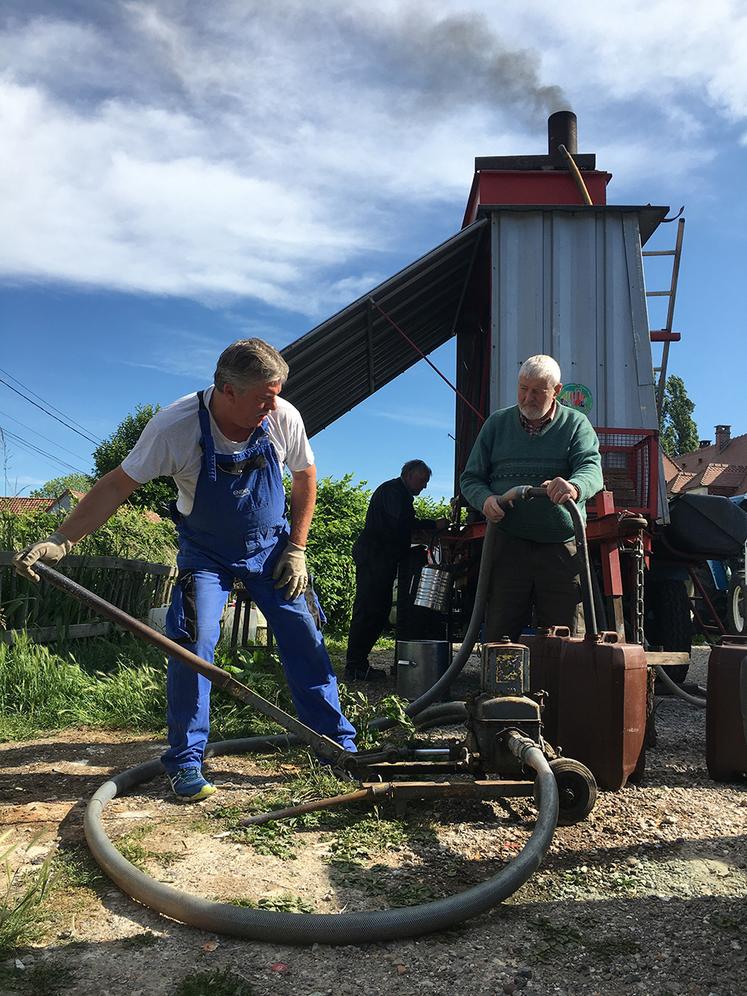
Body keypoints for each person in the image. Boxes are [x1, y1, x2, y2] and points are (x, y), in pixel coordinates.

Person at [14, 339, 356, 801]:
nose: (272, 406)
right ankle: (186, 761)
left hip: (273, 548)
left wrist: (297, 547)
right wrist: (62, 538)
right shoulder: (174, 427)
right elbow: (118, 484)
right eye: (262, 397)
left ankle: (337, 747)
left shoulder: (281, 416)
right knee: (191, 643)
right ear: (226, 389)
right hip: (206, 555)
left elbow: (305, 476)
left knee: (304, 634)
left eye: (276, 394)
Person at [460, 354, 603, 642]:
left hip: (560, 546)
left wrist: (573, 486)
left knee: (565, 633)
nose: (528, 397)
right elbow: (470, 478)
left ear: (557, 391)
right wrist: (486, 500)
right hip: (508, 543)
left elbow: (592, 469)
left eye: (538, 390)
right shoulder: (496, 424)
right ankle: (498, 688)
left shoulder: (576, 424)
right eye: (523, 388)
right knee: (500, 628)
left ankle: (560, 688)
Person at [345, 460, 447, 681]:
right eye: (422, 480)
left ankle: (357, 664)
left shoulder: (398, 494)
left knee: (377, 611)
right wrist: (432, 525)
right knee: (369, 611)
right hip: (375, 557)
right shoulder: (393, 491)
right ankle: (355, 666)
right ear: (409, 475)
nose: (425, 486)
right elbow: (401, 525)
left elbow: (399, 528)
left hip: (380, 559)